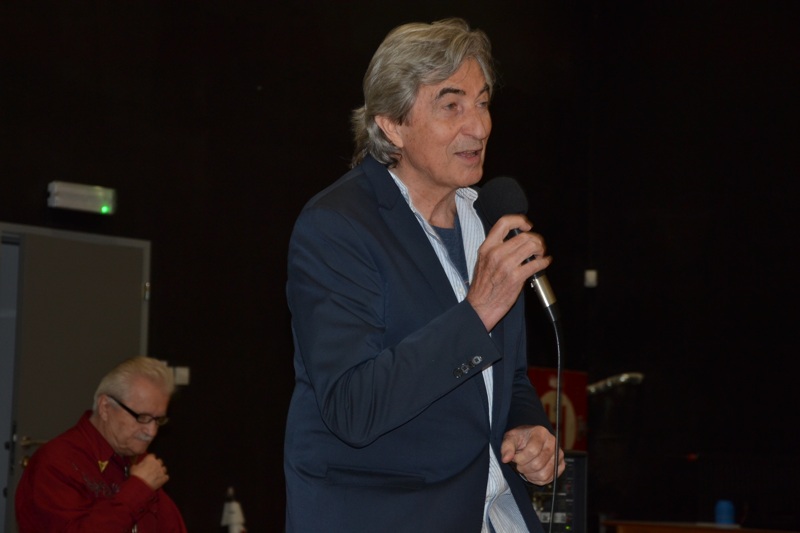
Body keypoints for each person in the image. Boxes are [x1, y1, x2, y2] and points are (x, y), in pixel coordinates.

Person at [284, 17, 565, 533]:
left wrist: (528, 427)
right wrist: (477, 311)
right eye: (451, 105)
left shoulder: (485, 221)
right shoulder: (337, 226)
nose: (479, 126)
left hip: (492, 511)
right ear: (392, 124)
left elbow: (508, 377)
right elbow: (353, 407)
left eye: (483, 103)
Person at [15, 356, 187, 532]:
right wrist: (138, 490)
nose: (151, 432)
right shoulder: (56, 462)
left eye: (158, 420)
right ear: (105, 407)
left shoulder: (138, 460)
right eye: (142, 417)